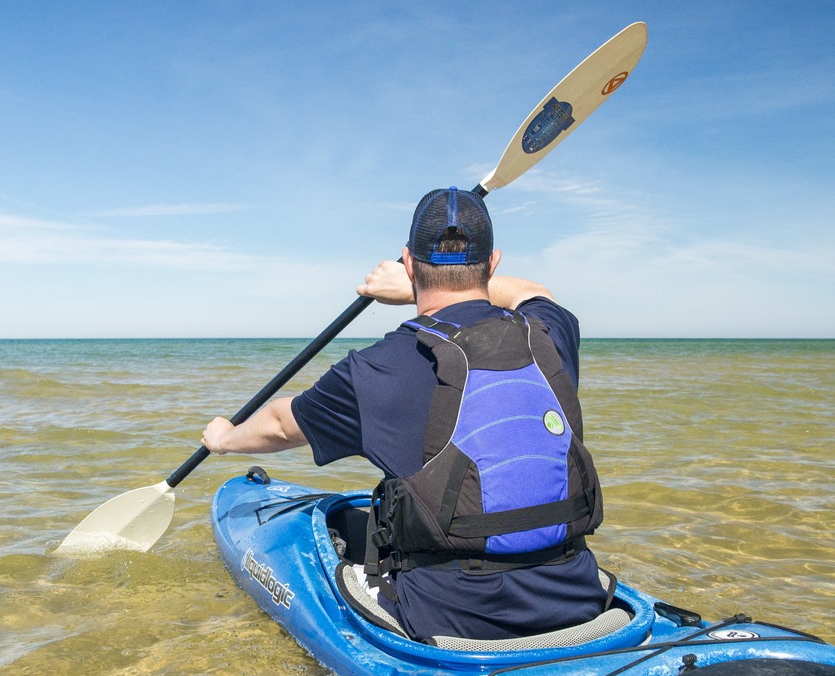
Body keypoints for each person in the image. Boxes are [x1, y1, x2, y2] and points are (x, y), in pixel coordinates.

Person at [202, 187, 606, 643]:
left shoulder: (377, 367)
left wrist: (224, 438)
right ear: (492, 264)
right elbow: (535, 292)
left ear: (409, 263)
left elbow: (279, 425)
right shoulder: (550, 334)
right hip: (577, 597)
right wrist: (412, 288)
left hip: (452, 620)